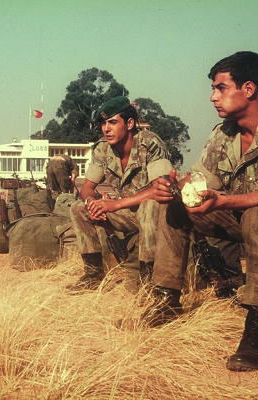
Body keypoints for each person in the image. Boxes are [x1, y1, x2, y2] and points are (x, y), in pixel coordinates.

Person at [147, 51, 258, 371]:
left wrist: (223, 201)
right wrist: (174, 185)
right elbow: (200, 179)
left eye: (221, 88)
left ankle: (255, 326)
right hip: (239, 219)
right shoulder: (224, 133)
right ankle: (166, 300)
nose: (213, 97)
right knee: (175, 209)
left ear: (249, 89)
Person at [66, 96, 173, 293]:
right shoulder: (102, 148)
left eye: (113, 122)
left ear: (130, 123)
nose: (106, 129)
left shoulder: (150, 143)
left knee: (149, 206)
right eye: (103, 124)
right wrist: (91, 203)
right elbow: (87, 188)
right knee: (78, 208)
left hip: (156, 216)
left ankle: (148, 280)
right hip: (128, 213)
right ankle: (93, 275)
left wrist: (115, 204)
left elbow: (160, 188)